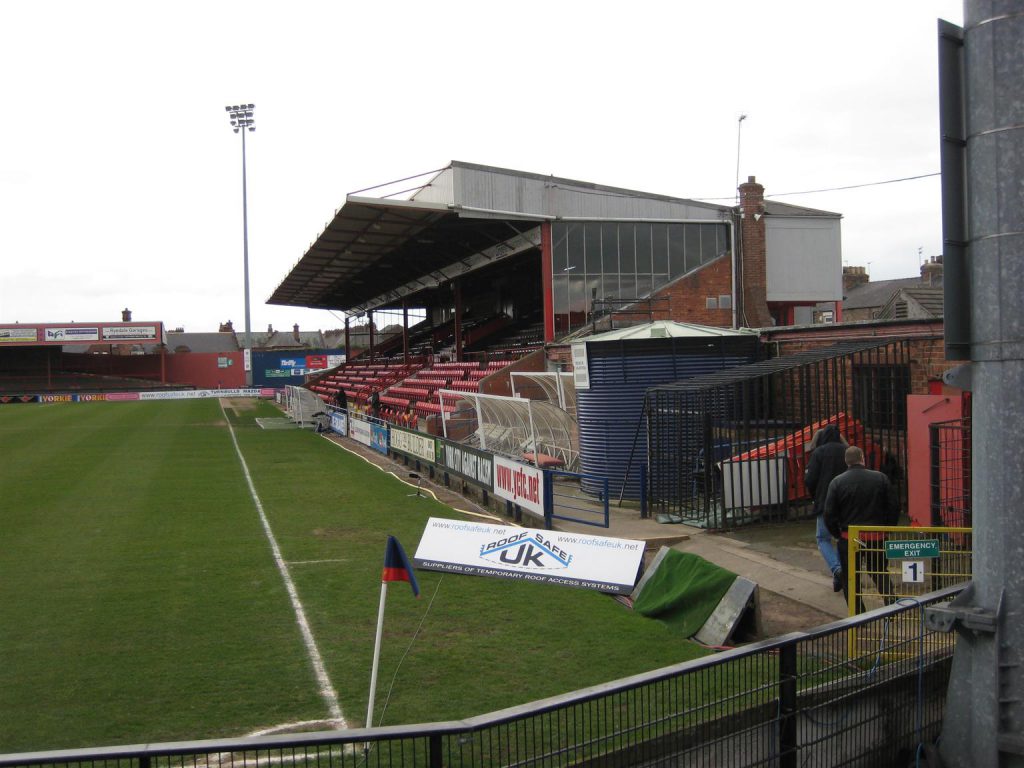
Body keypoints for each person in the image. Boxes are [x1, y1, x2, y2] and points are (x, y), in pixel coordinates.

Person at [823, 445, 899, 608]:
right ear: (862, 458)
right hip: (877, 535)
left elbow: (829, 514)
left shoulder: (837, 482)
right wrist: (888, 529)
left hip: (849, 538)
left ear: (846, 461)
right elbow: (893, 506)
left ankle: (858, 614)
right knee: (879, 571)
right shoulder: (881, 478)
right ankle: (891, 604)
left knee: (851, 576)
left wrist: (837, 533)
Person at [804, 425, 848, 592]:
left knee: (823, 538)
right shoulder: (846, 451)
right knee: (840, 538)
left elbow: (810, 479)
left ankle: (837, 570)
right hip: (845, 502)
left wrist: (814, 495)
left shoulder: (819, 452)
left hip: (825, 501)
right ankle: (839, 577)